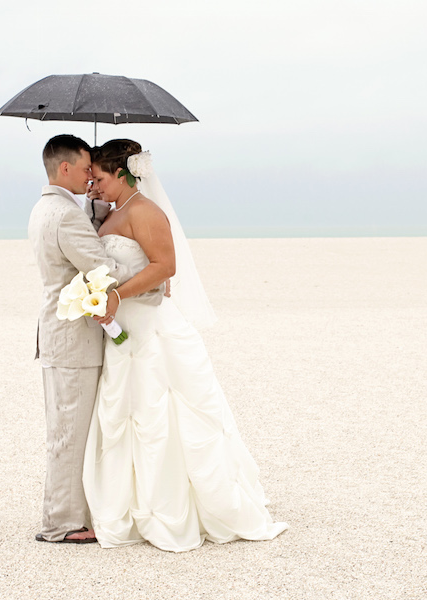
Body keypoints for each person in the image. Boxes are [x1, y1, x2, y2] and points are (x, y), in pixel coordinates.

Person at [82, 139, 288, 552]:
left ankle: (179, 507)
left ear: (123, 173)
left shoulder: (145, 211)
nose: (96, 185)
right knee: (129, 413)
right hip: (126, 330)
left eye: (101, 178)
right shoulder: (114, 211)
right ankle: (133, 504)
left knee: (166, 413)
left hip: (150, 325)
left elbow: (165, 267)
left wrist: (118, 295)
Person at [28, 135, 163, 543]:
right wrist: (153, 277)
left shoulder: (49, 206)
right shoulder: (65, 215)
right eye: (86, 168)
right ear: (64, 168)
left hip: (63, 335)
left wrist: (98, 209)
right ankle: (61, 524)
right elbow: (101, 267)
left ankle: (73, 511)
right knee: (69, 430)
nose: (91, 176)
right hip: (72, 339)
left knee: (70, 428)